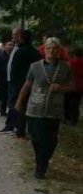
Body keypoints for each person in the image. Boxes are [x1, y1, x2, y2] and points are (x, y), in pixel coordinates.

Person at [16, 37, 74, 179]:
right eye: (48, 48)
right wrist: (19, 102)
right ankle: (40, 165)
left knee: (50, 140)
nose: (51, 51)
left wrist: (61, 87)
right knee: (36, 137)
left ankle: (42, 163)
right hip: (35, 108)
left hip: (53, 110)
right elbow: (27, 85)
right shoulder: (35, 67)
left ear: (59, 51)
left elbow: (73, 86)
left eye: (54, 49)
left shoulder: (65, 67)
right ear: (44, 50)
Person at [1, 29, 40, 138]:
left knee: (18, 106)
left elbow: (15, 69)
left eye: (17, 36)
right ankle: (25, 129)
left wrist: (13, 81)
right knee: (27, 106)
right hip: (31, 83)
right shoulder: (34, 51)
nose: (14, 37)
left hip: (18, 83)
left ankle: (19, 129)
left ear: (22, 38)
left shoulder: (20, 51)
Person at [0, 39, 13, 117]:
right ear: (5, 46)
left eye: (12, 45)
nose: (10, 46)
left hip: (9, 78)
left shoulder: (13, 56)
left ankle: (3, 111)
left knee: (6, 96)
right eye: (9, 44)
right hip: (1, 78)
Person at [64, 45, 83, 126]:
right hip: (80, 86)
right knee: (76, 102)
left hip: (70, 85)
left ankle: (66, 117)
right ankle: (74, 119)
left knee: (66, 101)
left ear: (74, 54)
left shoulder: (70, 63)